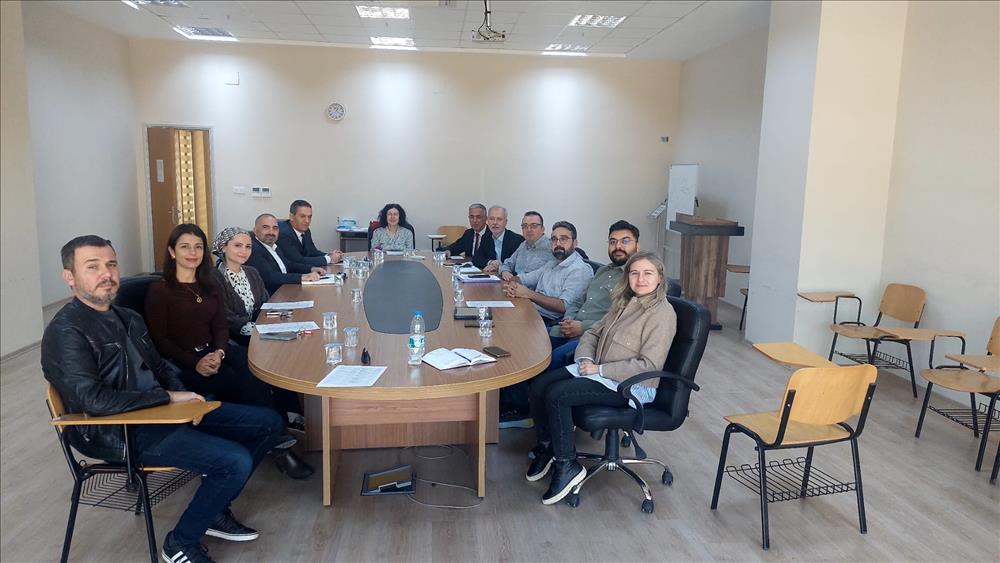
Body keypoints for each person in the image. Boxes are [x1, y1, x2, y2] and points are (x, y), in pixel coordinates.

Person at [42, 235, 285, 563]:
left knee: (269, 423)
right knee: (234, 461)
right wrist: (166, 397)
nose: (107, 274)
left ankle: (213, 509)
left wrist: (184, 398)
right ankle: (180, 544)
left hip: (160, 411)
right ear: (69, 277)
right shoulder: (66, 331)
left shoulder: (127, 317)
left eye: (111, 264)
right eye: (93, 267)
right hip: (117, 431)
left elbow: (160, 367)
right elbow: (94, 401)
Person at [145, 224, 313, 479]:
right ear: (172, 251)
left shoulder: (208, 285)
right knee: (242, 379)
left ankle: (277, 434)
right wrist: (195, 361)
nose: (193, 253)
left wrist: (220, 353)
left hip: (216, 352)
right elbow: (159, 340)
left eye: (198, 247)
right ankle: (278, 442)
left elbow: (220, 326)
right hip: (183, 363)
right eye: (185, 247)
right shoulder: (160, 290)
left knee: (253, 363)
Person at [524, 251, 677, 505]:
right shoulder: (624, 301)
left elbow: (648, 365)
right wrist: (585, 359)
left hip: (630, 385)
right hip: (597, 370)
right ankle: (548, 447)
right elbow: (592, 333)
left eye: (647, 273)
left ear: (660, 278)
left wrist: (600, 370)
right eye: (634, 273)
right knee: (539, 384)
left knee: (558, 395)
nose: (640, 279)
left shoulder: (662, 314)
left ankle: (567, 465)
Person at [549, 220, 641, 369]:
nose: (618, 246)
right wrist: (568, 319)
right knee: (530, 344)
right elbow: (579, 300)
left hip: (593, 338)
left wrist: (582, 327)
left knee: (548, 360)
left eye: (625, 241)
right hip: (567, 328)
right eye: (613, 242)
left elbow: (623, 321)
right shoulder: (602, 270)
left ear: (637, 246)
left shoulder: (637, 278)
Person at [502, 221, 593, 325]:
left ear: (575, 243)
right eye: (554, 239)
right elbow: (525, 278)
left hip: (549, 322)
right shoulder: (552, 263)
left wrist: (528, 293)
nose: (558, 244)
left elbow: (564, 306)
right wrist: (514, 284)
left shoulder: (579, 270)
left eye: (563, 239)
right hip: (531, 311)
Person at [210, 226, 268, 346]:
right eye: (238, 245)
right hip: (232, 341)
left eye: (248, 247)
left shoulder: (252, 272)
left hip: (260, 334)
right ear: (223, 247)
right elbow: (224, 315)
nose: (244, 251)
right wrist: (258, 329)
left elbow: (265, 302)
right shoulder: (214, 277)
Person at [245, 213, 325, 295]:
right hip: (273, 297)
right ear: (255, 230)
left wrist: (310, 269)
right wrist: (302, 277)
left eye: (275, 228)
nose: (271, 232)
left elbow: (288, 264)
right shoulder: (253, 250)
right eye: (265, 227)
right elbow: (270, 276)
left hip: (287, 290)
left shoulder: (273, 246)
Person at [278, 199, 343, 268]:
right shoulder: (283, 233)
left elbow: (312, 252)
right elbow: (298, 260)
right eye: (302, 216)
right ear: (291, 217)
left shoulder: (306, 230)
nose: (307, 221)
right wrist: (329, 259)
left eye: (309, 217)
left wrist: (329, 255)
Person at [495, 211, 554, 279]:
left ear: (542, 229)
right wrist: (505, 271)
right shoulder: (523, 245)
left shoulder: (551, 248)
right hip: (515, 283)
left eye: (534, 226)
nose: (529, 230)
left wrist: (518, 280)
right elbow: (507, 264)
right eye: (525, 226)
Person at [474, 205, 524, 270]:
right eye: (491, 219)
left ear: (505, 222)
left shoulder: (516, 240)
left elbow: (519, 265)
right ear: (487, 221)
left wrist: (500, 267)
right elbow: (476, 258)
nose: (495, 223)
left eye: (499, 219)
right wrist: (490, 262)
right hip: (492, 274)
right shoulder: (486, 237)